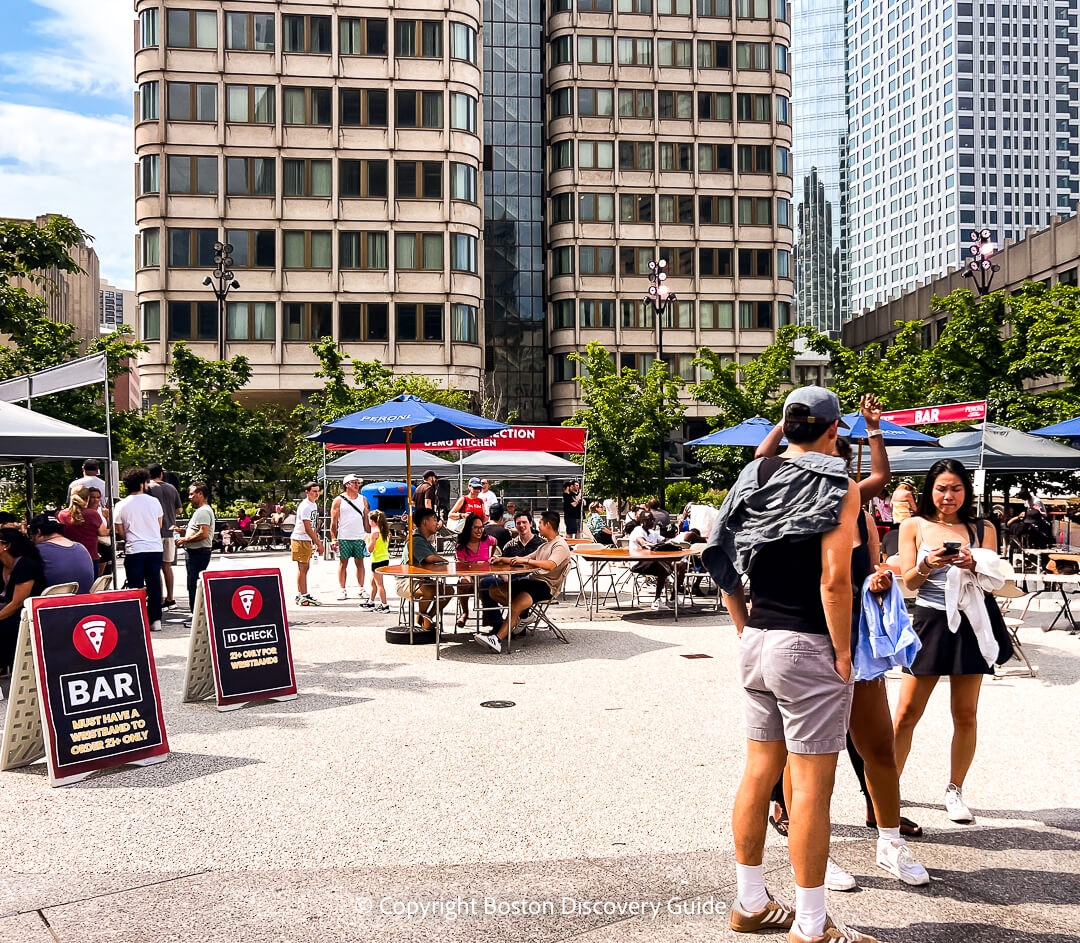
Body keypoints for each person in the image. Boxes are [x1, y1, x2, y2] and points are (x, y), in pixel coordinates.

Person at [705, 386, 879, 943]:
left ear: (785, 427)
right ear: (833, 429)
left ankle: (751, 902)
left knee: (759, 773)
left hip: (757, 638)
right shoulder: (838, 486)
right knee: (809, 789)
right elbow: (835, 580)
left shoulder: (755, 476)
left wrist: (743, 625)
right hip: (808, 643)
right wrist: (844, 651)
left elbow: (722, 557)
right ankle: (811, 924)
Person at [756, 395, 929, 889]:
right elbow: (762, 460)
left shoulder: (854, 503)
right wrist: (788, 420)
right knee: (807, 760)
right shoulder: (787, 497)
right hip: (813, 642)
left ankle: (890, 841)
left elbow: (870, 562)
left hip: (854, 642)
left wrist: (878, 578)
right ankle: (813, 850)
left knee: (878, 746)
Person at [894, 458, 998, 825]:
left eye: (956, 488)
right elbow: (909, 582)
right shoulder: (913, 525)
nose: (948, 496)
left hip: (970, 622)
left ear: (966, 490)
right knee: (906, 713)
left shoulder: (983, 527)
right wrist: (928, 565)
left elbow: (994, 582)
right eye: (941, 488)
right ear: (930, 490)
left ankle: (955, 790)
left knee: (965, 713)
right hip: (930, 620)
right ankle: (888, 787)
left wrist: (975, 565)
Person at [476, 510, 571, 654]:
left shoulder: (560, 545)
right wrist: (501, 559)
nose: (538, 526)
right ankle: (523, 616)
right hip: (532, 580)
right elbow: (523, 559)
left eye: (540, 523)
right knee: (495, 590)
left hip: (546, 586)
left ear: (548, 525)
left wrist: (527, 561)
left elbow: (550, 565)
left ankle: (497, 639)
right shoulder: (545, 545)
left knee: (517, 603)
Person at [113, 467, 164, 632]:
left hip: (134, 548)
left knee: (135, 586)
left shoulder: (121, 505)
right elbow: (159, 524)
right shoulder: (154, 502)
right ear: (142, 484)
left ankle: (138, 618)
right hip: (154, 547)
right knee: (154, 584)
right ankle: (156, 619)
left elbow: (120, 530)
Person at [395, 508, 450, 631]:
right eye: (434, 520)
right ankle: (423, 617)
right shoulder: (416, 540)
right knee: (428, 590)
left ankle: (426, 617)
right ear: (425, 522)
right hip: (405, 581)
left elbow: (435, 557)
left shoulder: (425, 541)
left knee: (448, 590)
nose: (437, 523)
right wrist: (444, 561)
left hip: (422, 581)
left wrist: (440, 560)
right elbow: (431, 558)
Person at [0, 527, 45, 674]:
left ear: (6, 545)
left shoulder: (26, 566)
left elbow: (17, 603)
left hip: (23, 615)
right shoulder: (3, 564)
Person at [29, 514, 95, 594]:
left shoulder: (36, 551)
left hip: (52, 600)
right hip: (85, 599)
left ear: (38, 532)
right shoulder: (81, 548)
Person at [147, 463, 183, 608]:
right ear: (161, 474)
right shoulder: (172, 488)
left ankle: (159, 598)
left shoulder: (148, 488)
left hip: (154, 532)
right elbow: (179, 510)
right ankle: (170, 598)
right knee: (167, 566)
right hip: (170, 531)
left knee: (155, 567)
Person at [174, 482, 215, 609]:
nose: (189, 497)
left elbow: (203, 533)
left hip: (198, 552)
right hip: (196, 552)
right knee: (193, 584)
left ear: (200, 494)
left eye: (192, 494)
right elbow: (198, 531)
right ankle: (196, 612)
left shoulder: (203, 511)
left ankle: (196, 613)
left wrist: (185, 539)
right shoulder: (201, 511)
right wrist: (182, 531)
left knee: (194, 585)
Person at [330, 474, 371, 601]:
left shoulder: (363, 499)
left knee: (360, 563)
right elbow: (333, 522)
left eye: (358, 483)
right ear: (347, 484)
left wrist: (369, 534)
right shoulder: (339, 500)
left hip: (360, 536)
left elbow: (366, 518)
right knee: (343, 563)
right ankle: (342, 589)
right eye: (354, 482)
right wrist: (333, 539)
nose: (357, 485)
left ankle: (361, 588)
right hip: (344, 536)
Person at [454, 512, 497, 628]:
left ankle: (486, 611)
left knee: (485, 582)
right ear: (469, 528)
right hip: (468, 574)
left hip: (485, 575)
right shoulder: (461, 546)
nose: (479, 530)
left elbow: (495, 542)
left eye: (481, 527)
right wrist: (469, 577)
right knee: (464, 583)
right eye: (476, 527)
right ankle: (465, 613)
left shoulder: (487, 539)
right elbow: (461, 567)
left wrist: (491, 556)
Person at [57, 485, 108, 574]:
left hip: (67, 557)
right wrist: (112, 528)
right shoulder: (92, 514)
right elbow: (103, 532)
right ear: (88, 498)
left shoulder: (61, 514)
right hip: (89, 556)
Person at [290, 484, 325, 605]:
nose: (316, 494)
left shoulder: (313, 505)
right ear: (307, 492)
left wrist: (314, 540)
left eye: (318, 491)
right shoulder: (305, 506)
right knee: (303, 567)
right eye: (314, 491)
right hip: (300, 539)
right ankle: (303, 596)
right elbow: (307, 528)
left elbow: (313, 526)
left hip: (307, 540)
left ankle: (302, 594)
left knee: (305, 567)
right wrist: (318, 543)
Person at [628, 510, 670, 609]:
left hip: (653, 562)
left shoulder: (653, 533)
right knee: (663, 567)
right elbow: (643, 543)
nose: (652, 522)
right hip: (638, 563)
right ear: (642, 521)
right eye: (649, 520)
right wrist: (656, 546)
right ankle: (657, 599)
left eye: (653, 519)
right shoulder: (638, 530)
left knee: (679, 565)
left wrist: (675, 540)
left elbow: (665, 540)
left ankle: (673, 595)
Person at [364, 510, 391, 612]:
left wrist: (367, 540)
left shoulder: (374, 533)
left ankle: (384, 605)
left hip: (377, 560)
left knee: (379, 584)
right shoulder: (385, 532)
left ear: (372, 521)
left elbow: (370, 549)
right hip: (385, 558)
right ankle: (371, 602)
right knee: (373, 582)